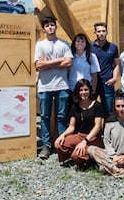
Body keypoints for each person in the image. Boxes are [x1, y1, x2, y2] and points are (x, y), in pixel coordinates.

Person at [35, 16, 73, 159]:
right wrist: (58, 61)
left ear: (56, 27)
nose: (50, 27)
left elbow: (69, 63)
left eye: (52, 25)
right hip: (44, 86)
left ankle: (62, 144)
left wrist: (48, 63)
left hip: (62, 85)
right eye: (47, 25)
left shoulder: (64, 44)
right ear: (44, 29)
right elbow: (38, 65)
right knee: (44, 116)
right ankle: (46, 145)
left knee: (61, 116)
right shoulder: (40, 45)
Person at [54, 79, 104, 167]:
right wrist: (62, 135)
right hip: (79, 136)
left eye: (86, 90)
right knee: (59, 145)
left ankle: (88, 159)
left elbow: (98, 126)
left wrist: (85, 141)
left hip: (93, 138)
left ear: (90, 90)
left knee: (76, 156)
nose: (83, 92)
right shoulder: (75, 106)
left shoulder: (97, 105)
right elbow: (71, 127)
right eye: (81, 90)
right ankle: (79, 154)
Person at [91, 22, 120, 116]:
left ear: (107, 32)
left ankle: (108, 130)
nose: (101, 33)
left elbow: (117, 64)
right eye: (99, 31)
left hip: (107, 82)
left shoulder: (113, 47)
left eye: (103, 31)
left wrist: (115, 78)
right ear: (95, 33)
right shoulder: (90, 47)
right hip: (93, 83)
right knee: (91, 110)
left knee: (109, 111)